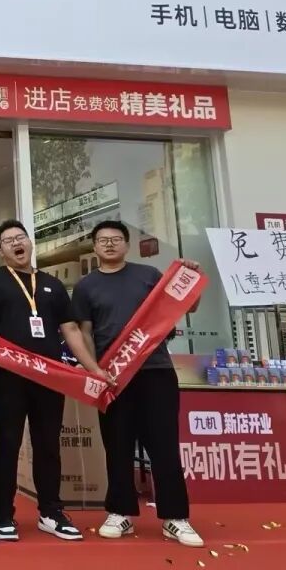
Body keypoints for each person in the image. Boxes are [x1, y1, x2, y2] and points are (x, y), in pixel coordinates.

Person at [0, 219, 109, 543]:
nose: (16, 243)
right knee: (6, 444)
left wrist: (93, 368)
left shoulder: (52, 284)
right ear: (0, 251)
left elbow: (71, 329)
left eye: (20, 237)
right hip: (8, 376)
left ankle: (51, 512)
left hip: (49, 377)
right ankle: (4, 514)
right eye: (8, 241)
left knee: (48, 444)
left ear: (30, 242)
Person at [73, 220, 204, 548]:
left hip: (156, 371)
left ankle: (176, 517)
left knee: (164, 445)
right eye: (103, 240)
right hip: (113, 376)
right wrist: (94, 370)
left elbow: (186, 305)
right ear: (94, 246)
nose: (109, 244)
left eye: (116, 239)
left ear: (127, 244)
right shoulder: (86, 286)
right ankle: (120, 512)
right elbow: (84, 332)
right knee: (117, 446)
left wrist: (190, 278)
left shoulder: (148, 275)